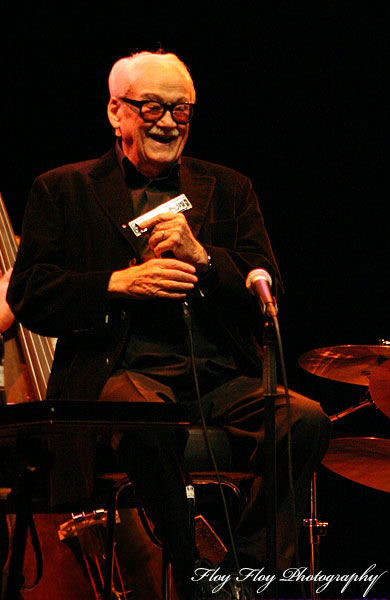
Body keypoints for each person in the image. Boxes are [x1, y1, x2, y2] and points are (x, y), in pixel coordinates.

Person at [7, 50, 331, 599]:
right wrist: (116, 282)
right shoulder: (63, 189)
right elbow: (30, 293)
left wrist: (205, 258)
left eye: (181, 111)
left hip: (219, 377)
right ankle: (190, 569)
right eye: (152, 107)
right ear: (116, 113)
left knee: (304, 419)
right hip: (121, 372)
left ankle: (246, 575)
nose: (167, 122)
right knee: (140, 412)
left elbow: (267, 284)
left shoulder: (229, 188)